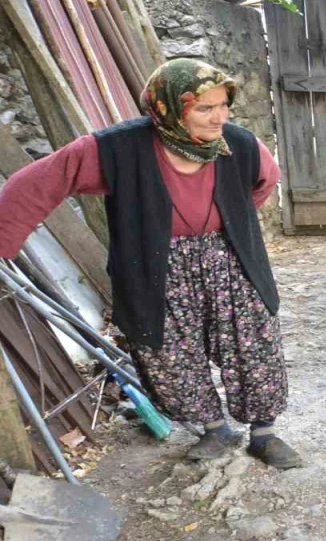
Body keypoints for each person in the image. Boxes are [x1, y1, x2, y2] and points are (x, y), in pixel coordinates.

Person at [0, 59, 302, 469]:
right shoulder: (116, 148)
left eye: (223, 105)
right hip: (156, 265)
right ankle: (215, 429)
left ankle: (264, 434)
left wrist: (231, 224)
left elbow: (263, 183)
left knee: (252, 343)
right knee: (169, 350)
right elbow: (35, 185)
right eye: (205, 108)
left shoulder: (240, 144)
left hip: (230, 258)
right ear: (170, 108)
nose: (220, 117)